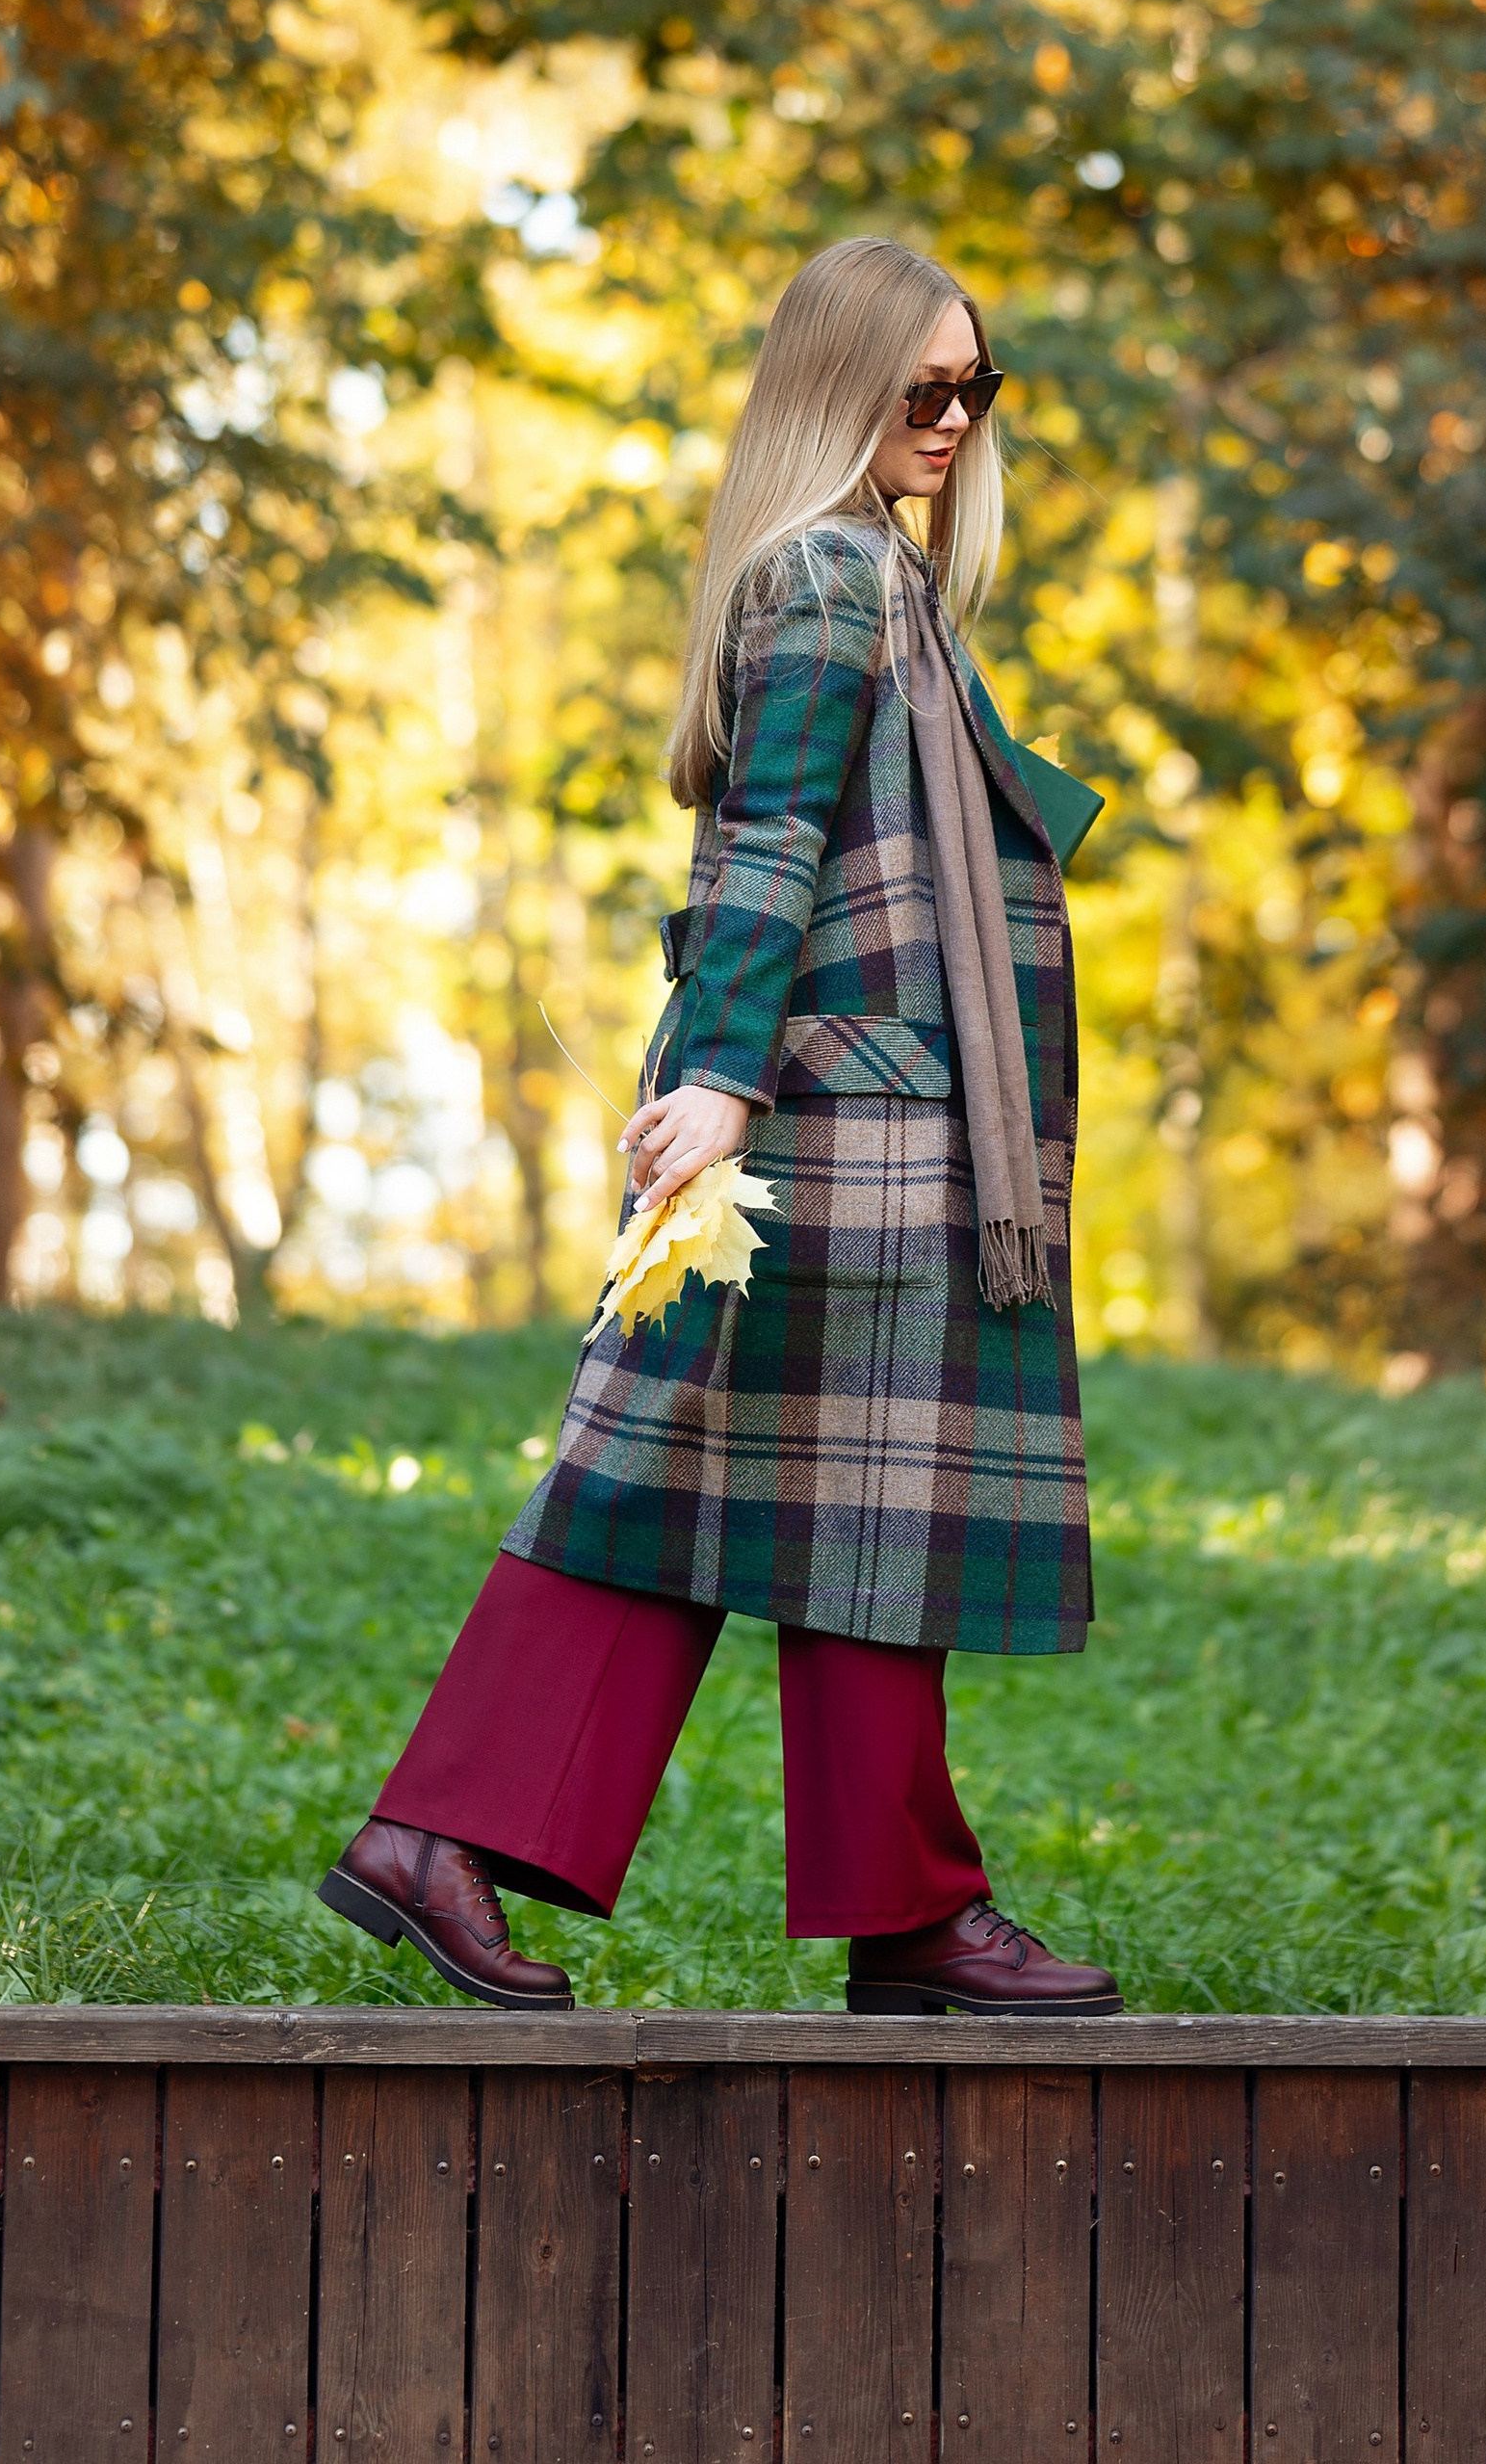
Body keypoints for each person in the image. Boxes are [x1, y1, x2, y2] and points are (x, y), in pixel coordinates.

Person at [318, 237, 1119, 2015]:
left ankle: (868, 1906)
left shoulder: (875, 579)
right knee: (724, 1486)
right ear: (840, 389)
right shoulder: (831, 577)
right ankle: (478, 1841)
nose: (955, 422)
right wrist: (722, 1082)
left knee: (815, 1510)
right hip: (838, 1118)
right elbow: (766, 846)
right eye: (924, 391)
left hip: (866, 1109)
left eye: (977, 391)